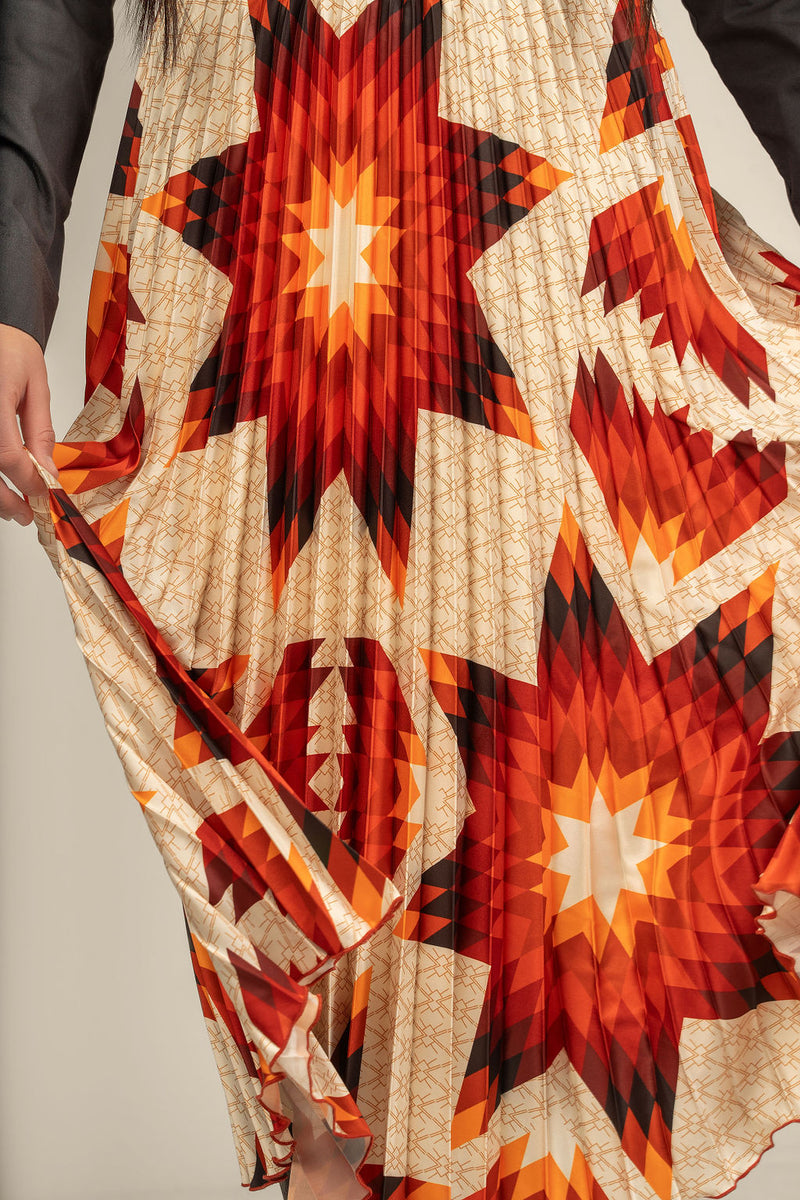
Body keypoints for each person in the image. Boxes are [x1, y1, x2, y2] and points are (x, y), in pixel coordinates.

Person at [4, 0, 800, 1197]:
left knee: (541, 766)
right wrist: (7, 284)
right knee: (298, 781)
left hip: (537, 185)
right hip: (250, 220)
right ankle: (335, 1159)